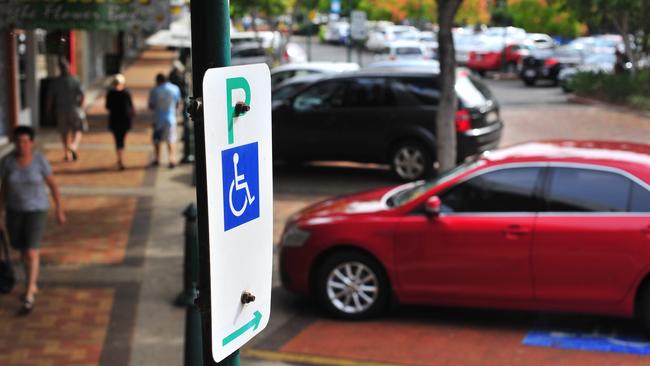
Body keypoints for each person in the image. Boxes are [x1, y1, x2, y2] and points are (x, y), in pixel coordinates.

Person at [0, 126, 65, 315]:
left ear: (32, 143)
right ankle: (32, 281)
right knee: (21, 249)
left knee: (31, 251)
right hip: (15, 212)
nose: (22, 145)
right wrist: (0, 212)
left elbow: (53, 185)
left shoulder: (39, 161)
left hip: (37, 211)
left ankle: (29, 293)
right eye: (18, 141)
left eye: (26, 141)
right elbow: (3, 189)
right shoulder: (7, 162)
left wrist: (59, 209)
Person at [47, 59, 85, 162]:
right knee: (78, 129)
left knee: (64, 132)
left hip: (60, 110)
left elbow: (50, 98)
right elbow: (82, 95)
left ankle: (67, 154)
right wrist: (80, 106)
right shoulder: (75, 79)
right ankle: (73, 146)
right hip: (74, 109)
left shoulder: (56, 82)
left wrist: (48, 110)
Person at [148, 73, 181, 168]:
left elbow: (151, 105)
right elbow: (178, 103)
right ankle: (172, 159)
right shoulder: (175, 88)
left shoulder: (155, 90)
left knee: (157, 139)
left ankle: (157, 159)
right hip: (171, 118)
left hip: (158, 119)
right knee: (171, 139)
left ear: (158, 81)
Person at [105, 74, 135, 170]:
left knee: (118, 140)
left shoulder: (110, 93)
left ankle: (120, 158)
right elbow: (131, 107)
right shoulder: (126, 93)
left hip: (114, 120)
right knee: (121, 140)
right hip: (125, 120)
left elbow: (107, 106)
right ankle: (120, 158)